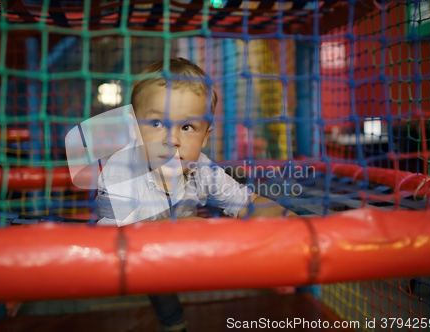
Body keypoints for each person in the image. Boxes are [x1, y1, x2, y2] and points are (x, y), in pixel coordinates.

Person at [95, 58, 295, 332]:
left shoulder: (201, 166)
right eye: (156, 123)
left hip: (182, 250)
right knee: (157, 281)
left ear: (204, 138)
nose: (172, 139)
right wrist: (185, 229)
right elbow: (111, 244)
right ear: (133, 128)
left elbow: (250, 203)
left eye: (187, 127)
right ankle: (173, 320)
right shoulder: (120, 171)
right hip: (132, 256)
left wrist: (292, 223)